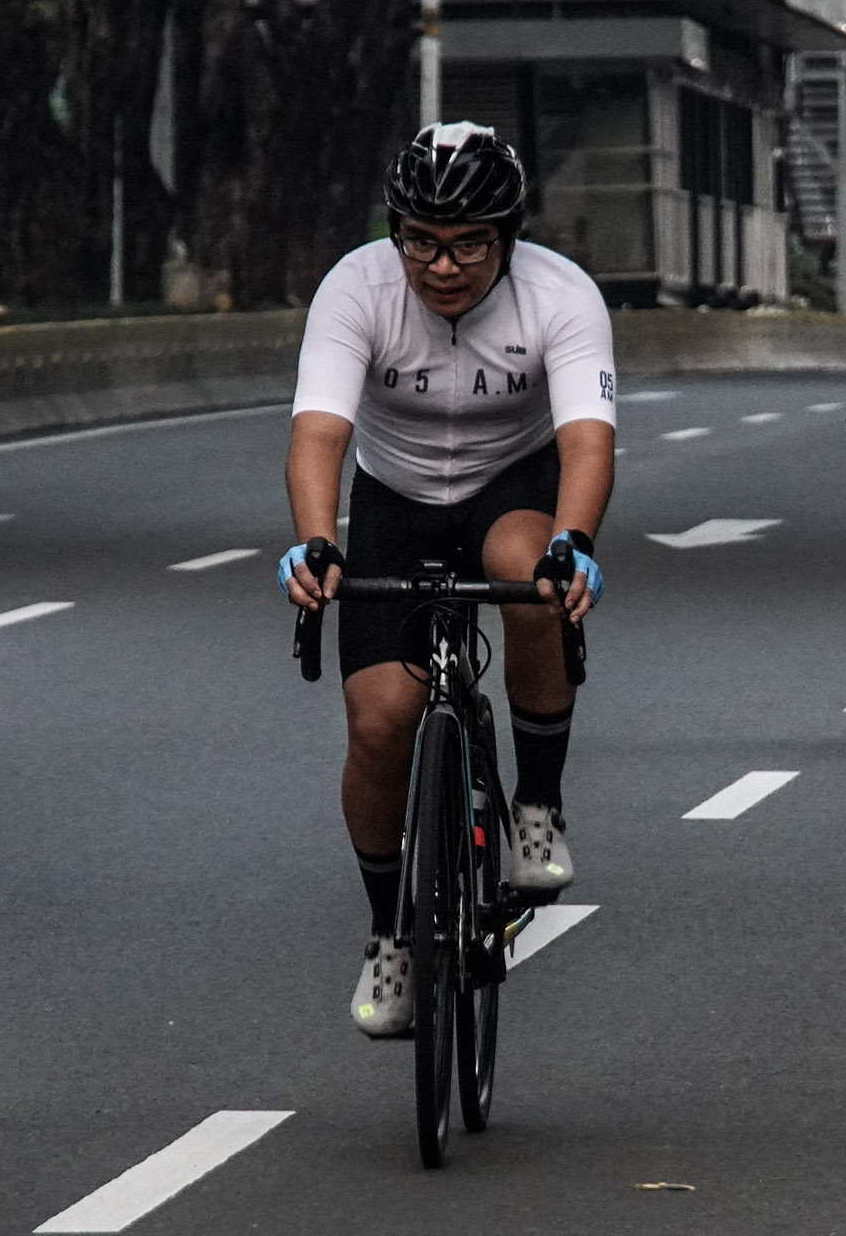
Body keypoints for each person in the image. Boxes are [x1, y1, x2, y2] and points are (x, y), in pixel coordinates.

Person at [280, 121, 617, 1039]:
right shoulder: (356, 287)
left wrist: (574, 540)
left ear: (508, 237)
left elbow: (588, 437)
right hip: (393, 498)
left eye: (468, 243)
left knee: (533, 580)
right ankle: (389, 933)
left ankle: (537, 806)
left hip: (510, 487)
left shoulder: (562, 296)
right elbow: (319, 433)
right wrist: (317, 543)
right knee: (382, 722)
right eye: (421, 240)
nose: (442, 265)